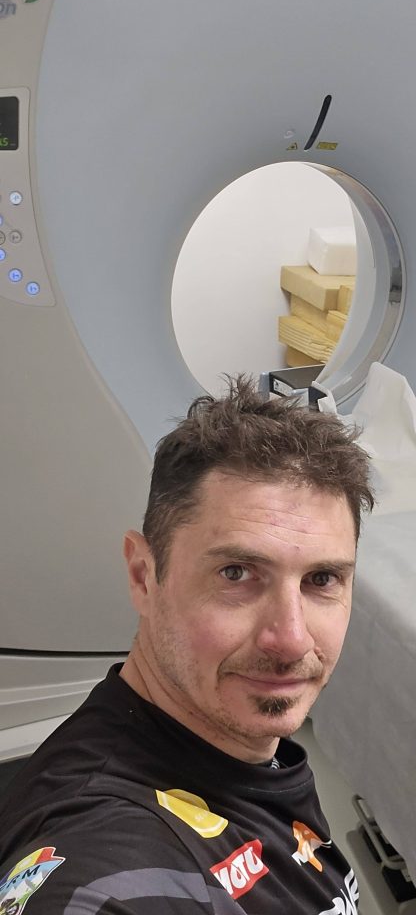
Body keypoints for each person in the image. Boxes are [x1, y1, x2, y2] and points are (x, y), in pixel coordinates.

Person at [0, 376, 375, 915]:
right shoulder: (109, 874)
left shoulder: (236, 742)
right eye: (237, 573)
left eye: (321, 579)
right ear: (143, 576)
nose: (292, 640)